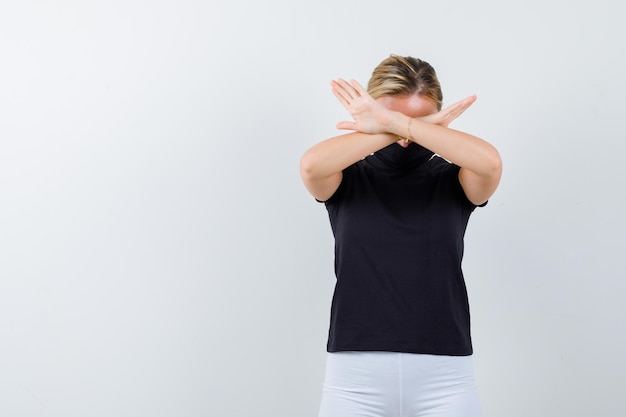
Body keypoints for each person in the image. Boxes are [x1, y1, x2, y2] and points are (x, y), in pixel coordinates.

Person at [299, 55, 502, 417]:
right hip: (354, 380)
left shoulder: (455, 179)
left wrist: (393, 122)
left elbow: (491, 164)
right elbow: (311, 166)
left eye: (420, 122)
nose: (407, 139)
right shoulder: (346, 175)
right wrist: (397, 127)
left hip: (446, 379)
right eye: (389, 117)